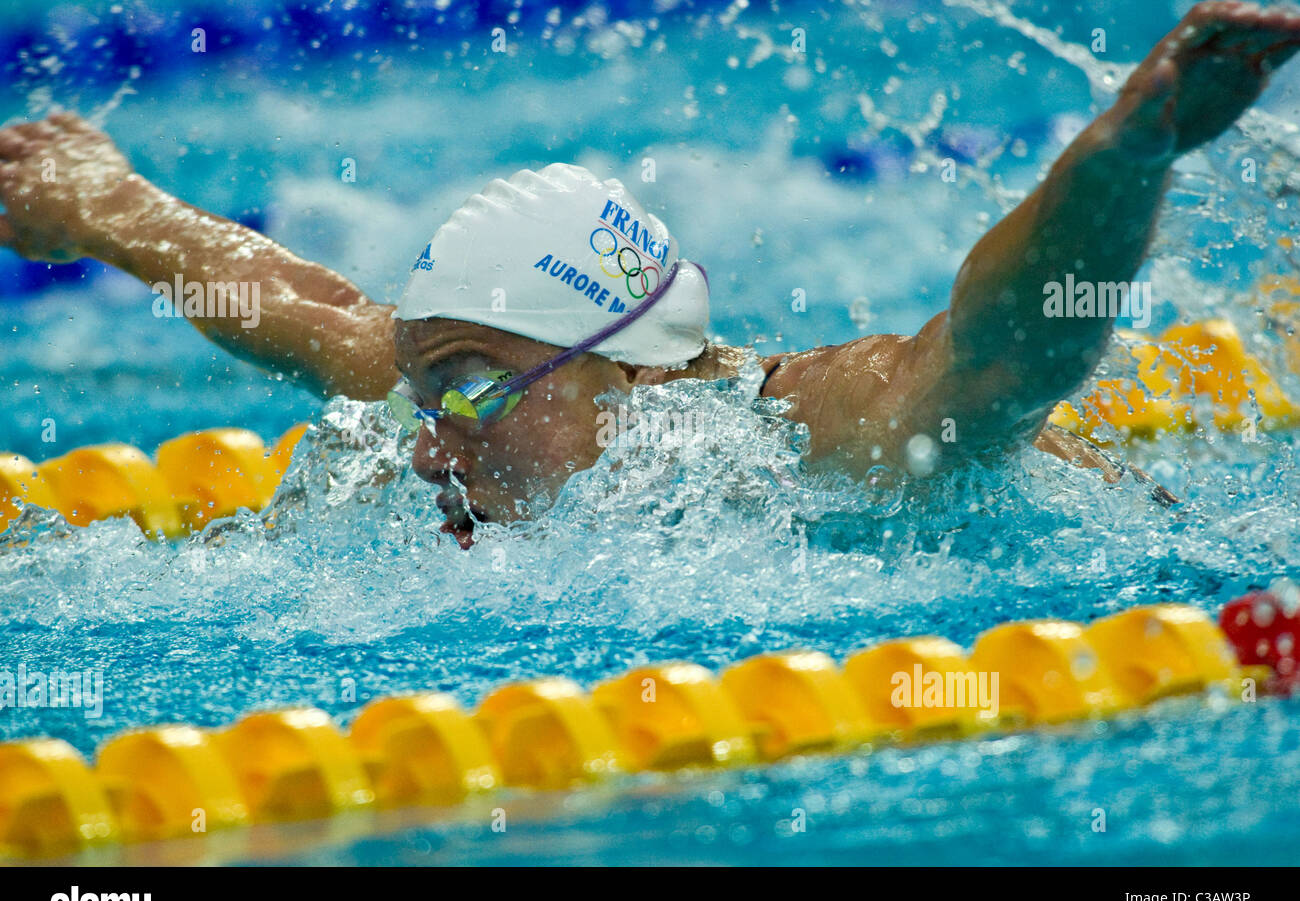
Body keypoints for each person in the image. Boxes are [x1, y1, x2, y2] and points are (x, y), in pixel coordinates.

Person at [2, 1, 1297, 546]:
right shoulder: (471, 381)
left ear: (624, 371)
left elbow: (1003, 351)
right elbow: (317, 314)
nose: (423, 450)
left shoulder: (805, 433)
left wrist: (1130, 155)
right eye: (425, 387)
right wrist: (104, 208)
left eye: (460, 393)